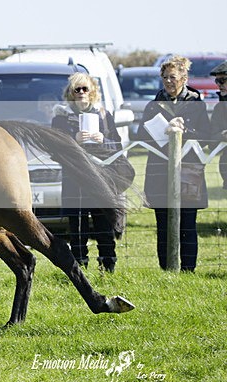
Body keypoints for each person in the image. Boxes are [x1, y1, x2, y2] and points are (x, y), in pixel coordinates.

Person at [137, 55, 210, 272]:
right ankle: (166, 270)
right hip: (159, 172)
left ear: (184, 78)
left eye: (174, 77)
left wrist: (185, 130)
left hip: (188, 172)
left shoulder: (196, 104)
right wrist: (163, 128)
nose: (169, 82)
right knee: (163, 225)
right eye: (165, 78)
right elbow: (141, 134)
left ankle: (188, 269)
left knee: (188, 224)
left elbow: (206, 137)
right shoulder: (153, 105)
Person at [51, 73, 123, 272]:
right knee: (77, 225)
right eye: (77, 89)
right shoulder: (61, 117)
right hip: (75, 177)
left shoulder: (104, 115)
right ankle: (79, 267)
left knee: (104, 222)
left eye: (85, 89)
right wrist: (73, 139)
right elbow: (54, 147)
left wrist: (103, 140)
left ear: (93, 92)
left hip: (101, 176)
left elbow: (117, 146)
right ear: (70, 93)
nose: (81, 93)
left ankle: (108, 265)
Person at [208, 61, 227, 188]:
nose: (219, 85)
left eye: (223, 80)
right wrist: (223, 134)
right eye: (217, 81)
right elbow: (211, 142)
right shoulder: (219, 108)